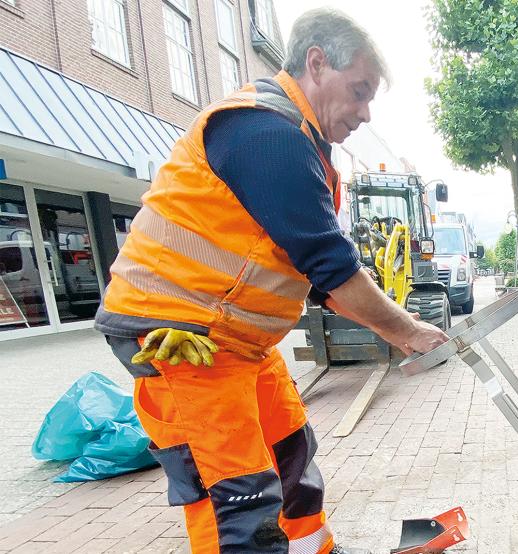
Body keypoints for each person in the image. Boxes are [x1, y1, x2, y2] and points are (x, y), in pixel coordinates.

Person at [94, 8, 447, 553]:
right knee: (239, 499)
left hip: (238, 342)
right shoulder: (264, 131)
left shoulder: (297, 139)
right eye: (358, 91)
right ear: (316, 63)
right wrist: (408, 331)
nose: (365, 112)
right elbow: (329, 264)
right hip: (185, 341)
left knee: (291, 462)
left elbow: (315, 273)